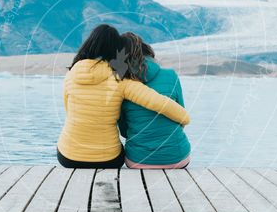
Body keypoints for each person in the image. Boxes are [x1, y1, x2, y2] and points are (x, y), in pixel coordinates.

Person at [57, 24, 190, 168]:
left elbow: (68, 111)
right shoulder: (119, 79)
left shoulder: (70, 76)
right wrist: (185, 118)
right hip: (107, 160)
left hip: (68, 156)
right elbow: (160, 103)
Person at [119, 31, 191, 168]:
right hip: (177, 158)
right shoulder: (171, 75)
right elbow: (180, 117)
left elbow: (123, 130)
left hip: (137, 160)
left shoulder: (122, 83)